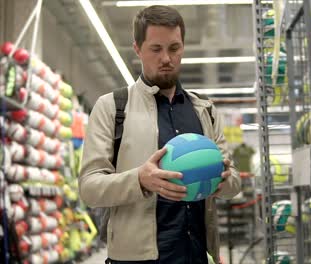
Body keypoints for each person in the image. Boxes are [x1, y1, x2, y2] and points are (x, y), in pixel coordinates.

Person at [79, 5, 241, 264]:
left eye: (174, 48)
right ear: (137, 49)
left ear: (182, 48)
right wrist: (140, 180)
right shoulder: (112, 107)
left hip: (195, 254)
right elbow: (89, 188)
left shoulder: (205, 110)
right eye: (156, 49)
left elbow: (234, 184)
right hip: (135, 259)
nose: (166, 58)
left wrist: (221, 179)